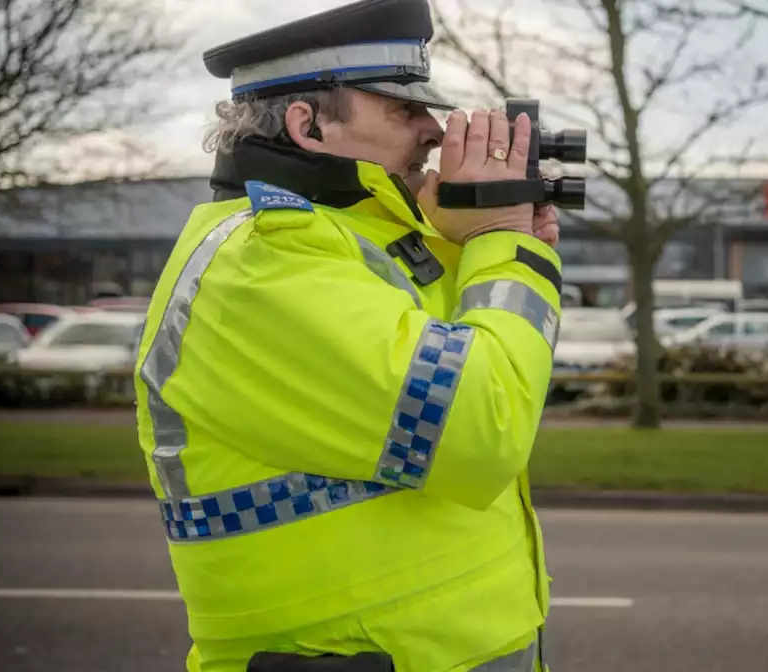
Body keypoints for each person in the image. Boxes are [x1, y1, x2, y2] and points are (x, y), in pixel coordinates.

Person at [132, 1, 562, 670]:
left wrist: (462, 246)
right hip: (348, 653)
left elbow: (472, 356)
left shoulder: (350, 246)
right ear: (308, 126)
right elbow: (481, 425)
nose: (432, 127)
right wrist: (501, 240)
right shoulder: (262, 263)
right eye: (401, 108)